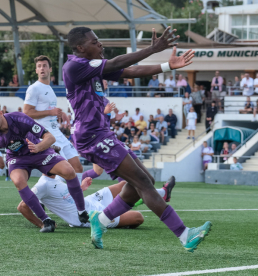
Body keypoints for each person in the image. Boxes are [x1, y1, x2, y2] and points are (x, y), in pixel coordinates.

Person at [63, 26, 210, 251]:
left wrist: (167, 66)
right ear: (81, 48)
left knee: (145, 182)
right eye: (95, 42)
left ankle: (100, 220)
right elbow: (115, 64)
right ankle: (184, 234)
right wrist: (153, 49)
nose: (100, 44)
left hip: (101, 133)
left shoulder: (92, 67)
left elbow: (128, 71)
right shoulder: (75, 66)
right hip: (91, 136)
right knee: (142, 184)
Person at [0, 100, 89, 233]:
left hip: (39, 150)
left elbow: (50, 138)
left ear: (1, 113)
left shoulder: (19, 118)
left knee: (69, 171)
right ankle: (46, 221)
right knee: (18, 181)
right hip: (17, 159)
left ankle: (81, 211)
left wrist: (38, 147)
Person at [19, 174, 176, 230]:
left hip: (88, 202)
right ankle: (125, 210)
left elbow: (65, 196)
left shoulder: (58, 176)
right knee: (138, 218)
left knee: (124, 185)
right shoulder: (42, 185)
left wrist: (81, 188)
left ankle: (163, 194)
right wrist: (42, 223)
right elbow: (23, 206)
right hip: (87, 217)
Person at [24, 55, 84, 183]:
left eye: (44, 66)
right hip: (45, 135)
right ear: (36, 70)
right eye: (39, 66)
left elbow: (48, 109)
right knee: (61, 172)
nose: (42, 69)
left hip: (57, 132)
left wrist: (59, 113)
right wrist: (51, 112)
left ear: (50, 69)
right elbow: (27, 112)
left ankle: (74, 198)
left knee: (78, 167)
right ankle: (45, 197)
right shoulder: (34, 88)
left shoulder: (49, 88)